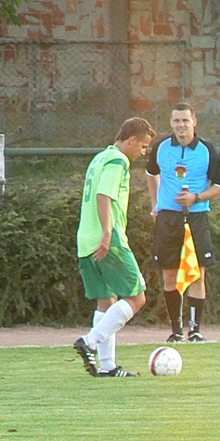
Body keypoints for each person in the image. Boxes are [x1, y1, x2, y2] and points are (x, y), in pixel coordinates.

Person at [73, 117, 156, 377]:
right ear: (132, 140)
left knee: (107, 300)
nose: (143, 152)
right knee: (137, 297)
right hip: (107, 238)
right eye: (143, 146)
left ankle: (108, 367)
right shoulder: (118, 161)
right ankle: (89, 342)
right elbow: (104, 195)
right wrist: (108, 232)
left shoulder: (100, 158)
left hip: (85, 238)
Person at [146, 102, 220, 343]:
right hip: (168, 218)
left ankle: (195, 330)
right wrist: (156, 203)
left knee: (197, 274)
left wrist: (196, 198)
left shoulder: (207, 150)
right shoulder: (161, 148)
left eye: (185, 120)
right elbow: (151, 173)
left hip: (196, 217)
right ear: (171, 123)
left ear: (194, 122)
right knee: (169, 275)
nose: (181, 125)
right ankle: (176, 330)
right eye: (176, 121)